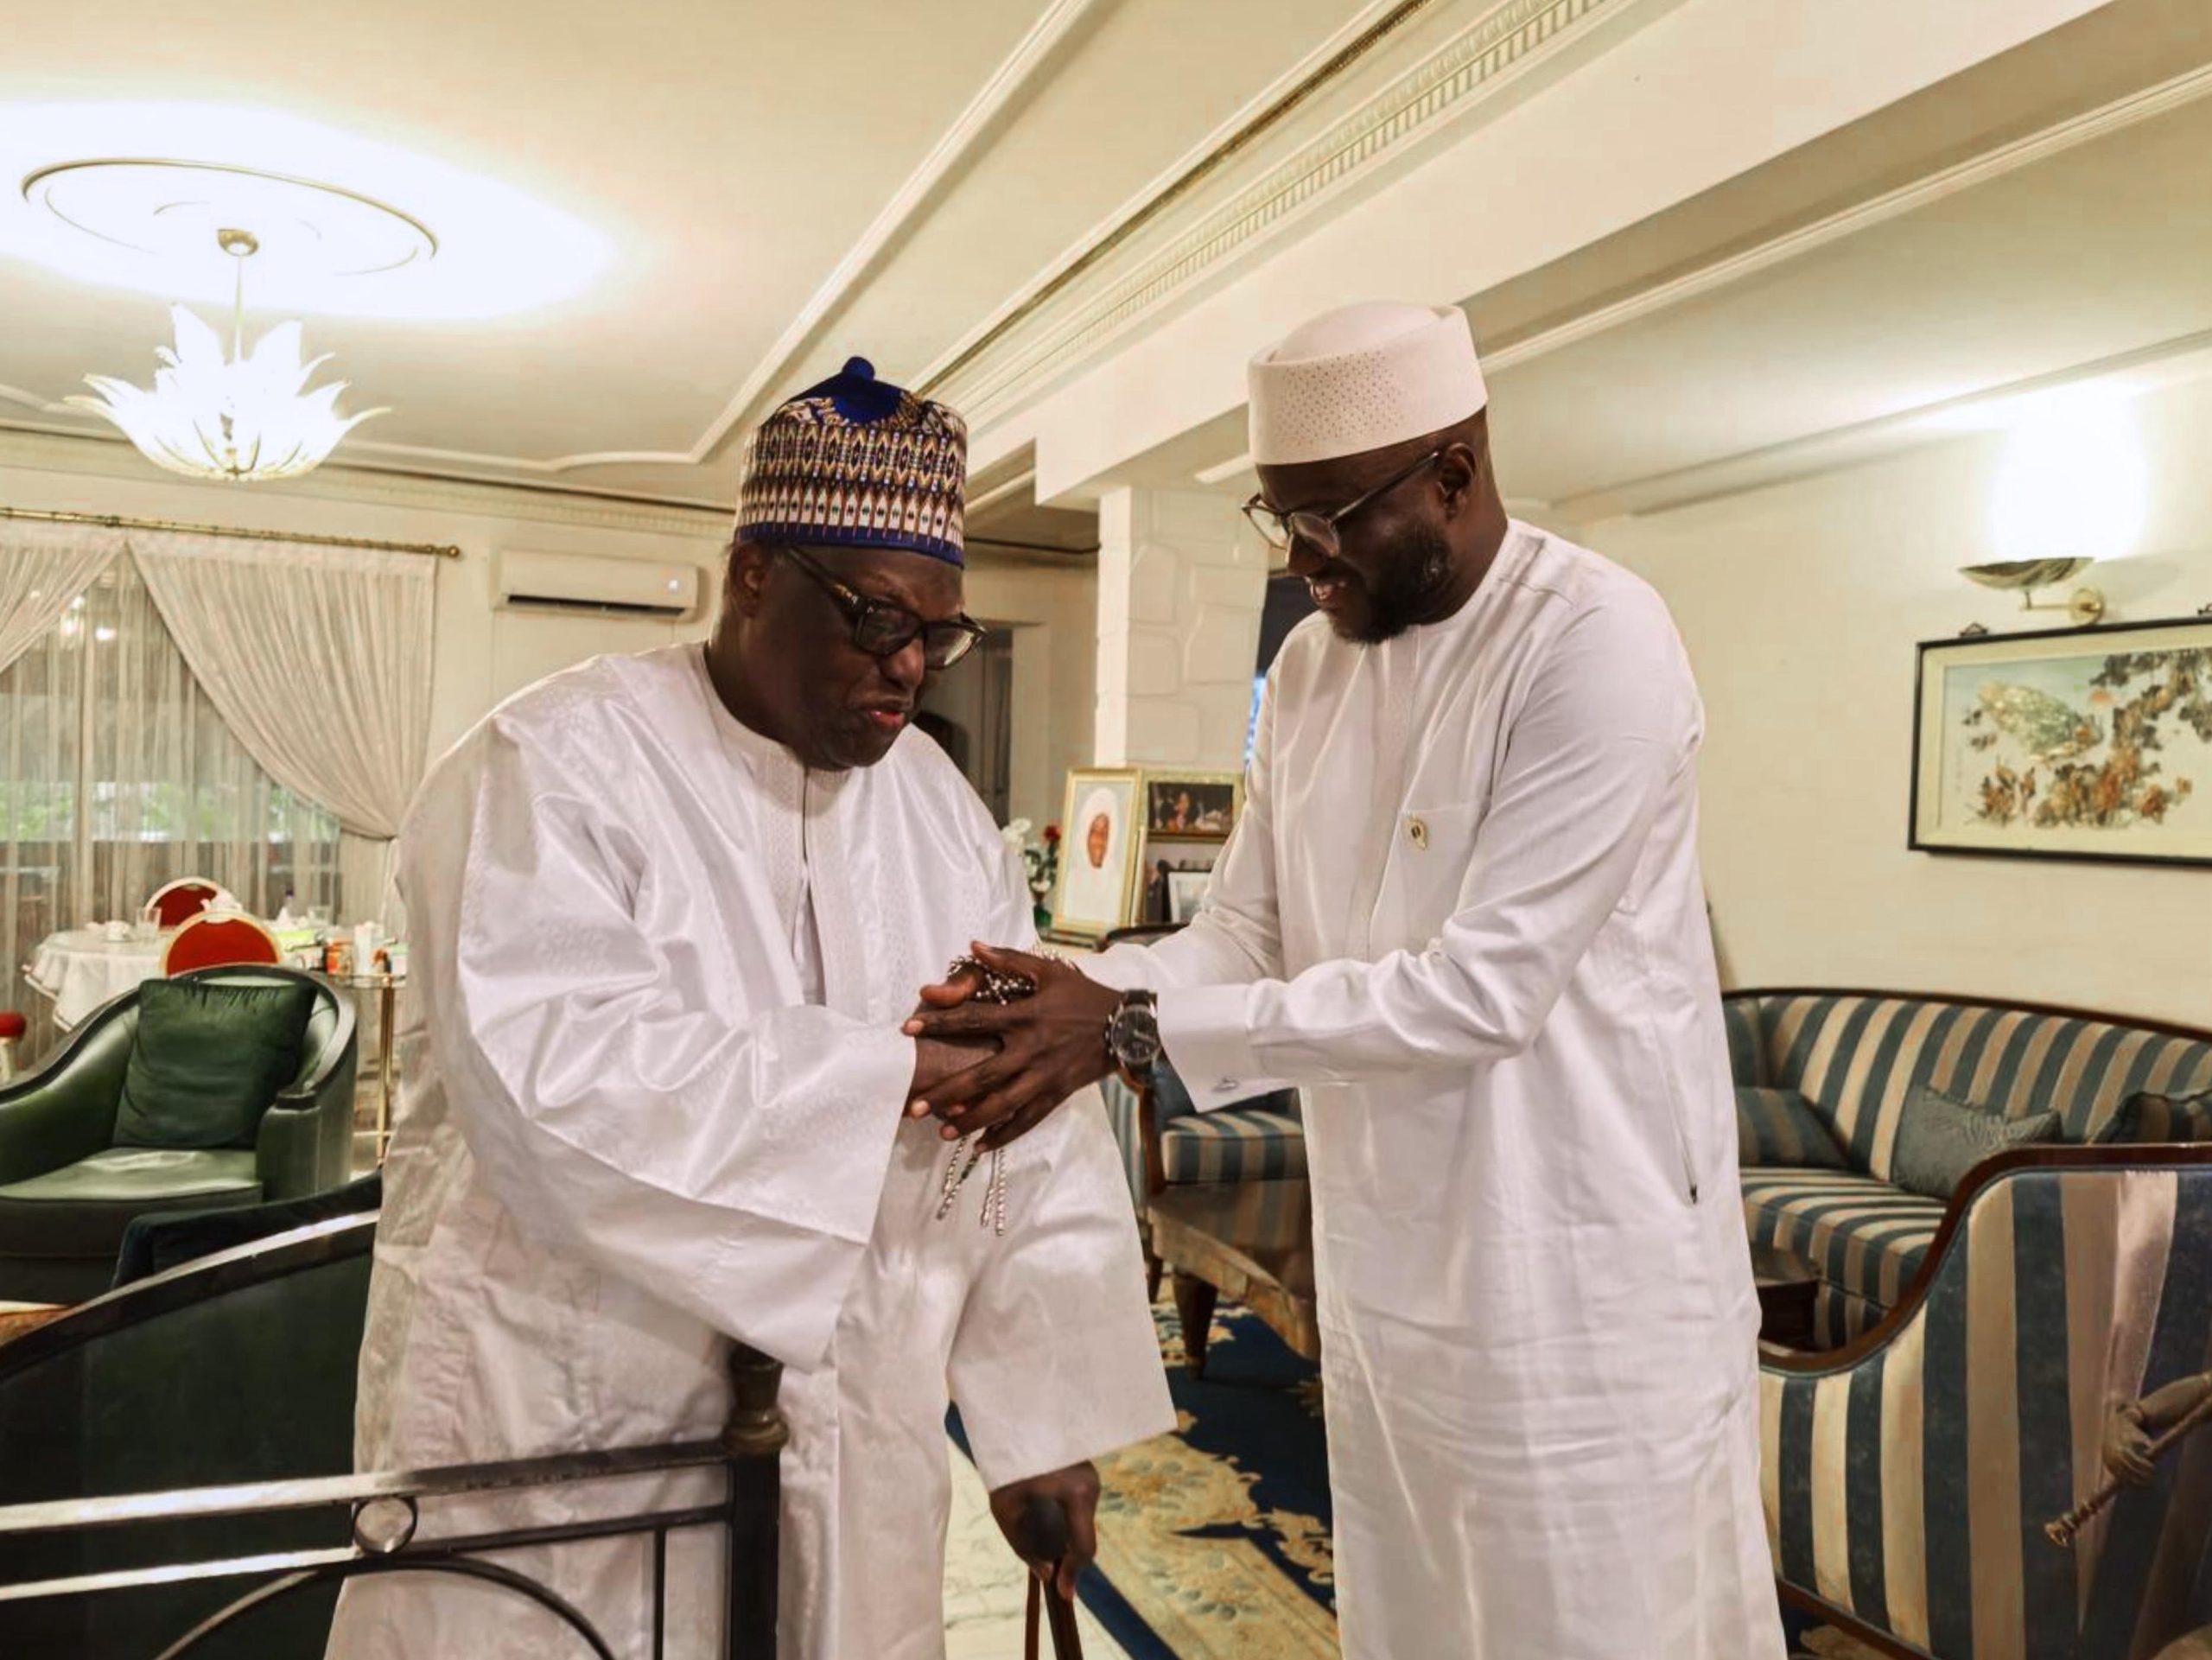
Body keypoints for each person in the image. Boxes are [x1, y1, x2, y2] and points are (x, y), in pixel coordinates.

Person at [904, 303, 1784, 1657]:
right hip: (1390, 1264)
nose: (1304, 558)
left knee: (1598, 1623)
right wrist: (1065, 989)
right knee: (1422, 1614)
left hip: (1580, 1282)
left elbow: (1479, 992)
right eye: (1280, 517)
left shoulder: (1595, 639)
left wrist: (1127, 1025)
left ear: (1453, 472)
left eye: (1334, 516)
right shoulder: (1311, 667)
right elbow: (1251, 937)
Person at [327, 358, 1171, 1660]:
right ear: (756, 574)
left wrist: (1040, 1419)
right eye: (875, 619)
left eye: (936, 635)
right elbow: (555, 1077)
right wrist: (889, 1073)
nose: (906, 667)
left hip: (857, 1421)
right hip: (572, 1412)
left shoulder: (944, 817)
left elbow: (1024, 1128)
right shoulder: (548, 769)